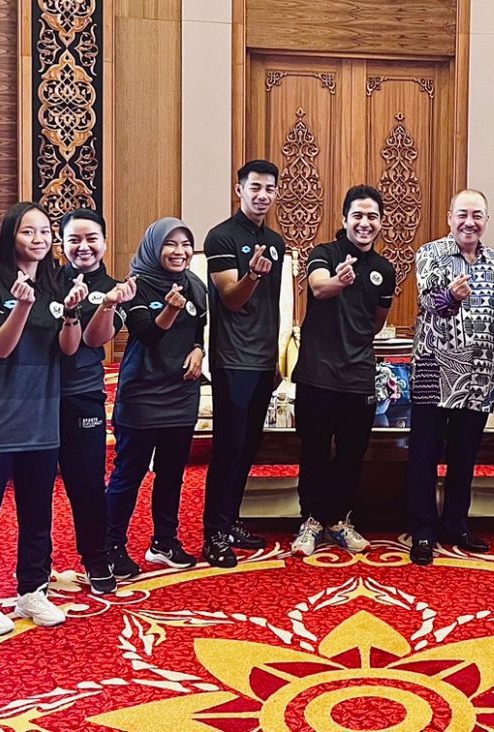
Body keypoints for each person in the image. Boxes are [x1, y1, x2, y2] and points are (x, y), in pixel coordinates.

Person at [0, 201, 88, 635]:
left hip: (41, 419)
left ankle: (32, 589)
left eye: (45, 231)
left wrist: (71, 313)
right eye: (28, 231)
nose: (39, 239)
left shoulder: (58, 284)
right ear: (10, 236)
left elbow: (69, 349)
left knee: (38, 514)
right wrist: (22, 306)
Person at [290, 185, 396, 556]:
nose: (365, 223)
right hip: (317, 374)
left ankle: (338, 520)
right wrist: (339, 281)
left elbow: (376, 322)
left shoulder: (384, 270)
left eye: (372, 217)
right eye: (358, 216)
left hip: (358, 376)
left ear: (380, 222)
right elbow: (319, 288)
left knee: (351, 455)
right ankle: (311, 520)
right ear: (344, 219)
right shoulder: (325, 253)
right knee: (315, 452)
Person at [406, 189, 494, 566]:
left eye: (477, 215)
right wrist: (450, 296)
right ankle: (422, 527)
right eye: (462, 214)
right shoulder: (430, 254)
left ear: (486, 220)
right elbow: (427, 302)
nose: (469, 222)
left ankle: (456, 523)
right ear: (450, 217)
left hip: (480, 374)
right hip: (434, 367)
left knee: (466, 455)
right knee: (425, 454)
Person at [105, 218, 206, 577]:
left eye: (185, 244)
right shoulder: (137, 284)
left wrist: (199, 350)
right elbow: (146, 334)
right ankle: (110, 547)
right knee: (128, 474)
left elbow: (200, 329)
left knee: (172, 474)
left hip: (181, 393)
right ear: (154, 247)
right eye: (171, 244)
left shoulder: (194, 284)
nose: (180, 251)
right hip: (142, 395)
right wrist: (171, 309)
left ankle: (164, 541)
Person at [201, 160, 286, 568]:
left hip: (262, 360)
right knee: (228, 448)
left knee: (249, 446)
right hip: (232, 360)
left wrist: (274, 359)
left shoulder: (275, 241)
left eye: (269, 188)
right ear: (239, 190)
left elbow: (271, 308)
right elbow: (232, 299)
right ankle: (214, 533)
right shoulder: (221, 236)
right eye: (255, 187)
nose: (262, 195)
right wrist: (251, 275)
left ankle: (231, 520)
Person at [57, 208, 136, 594]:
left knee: (87, 483)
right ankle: (35, 566)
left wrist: (108, 304)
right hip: (37, 396)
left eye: (91, 239)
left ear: (104, 242)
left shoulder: (117, 289)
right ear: (62, 244)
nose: (83, 246)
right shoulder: (46, 279)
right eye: (74, 239)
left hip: (83, 394)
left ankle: (96, 557)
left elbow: (96, 340)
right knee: (34, 486)